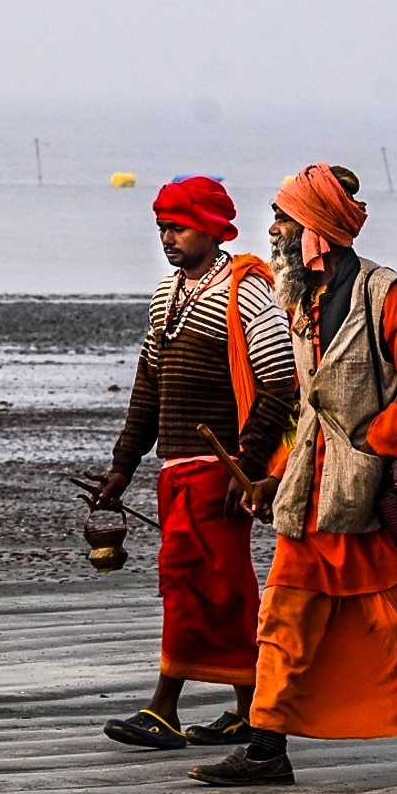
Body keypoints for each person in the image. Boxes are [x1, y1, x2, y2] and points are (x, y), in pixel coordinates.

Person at [188, 162, 397, 787]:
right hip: (312, 497)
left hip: (374, 498)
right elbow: (312, 413)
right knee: (282, 621)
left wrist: (375, 438)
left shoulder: (388, 296)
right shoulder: (302, 301)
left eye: (284, 219)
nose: (275, 231)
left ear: (315, 229)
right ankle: (265, 749)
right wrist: (276, 479)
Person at [97, 175, 297, 752]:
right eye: (162, 227)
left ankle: (163, 709)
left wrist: (249, 467)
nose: (168, 237)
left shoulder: (247, 292)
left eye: (179, 227)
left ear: (213, 230)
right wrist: (123, 465)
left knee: (189, 581)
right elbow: (148, 384)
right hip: (174, 469)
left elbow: (280, 385)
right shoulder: (167, 294)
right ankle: (248, 708)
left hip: (221, 470)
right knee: (223, 588)